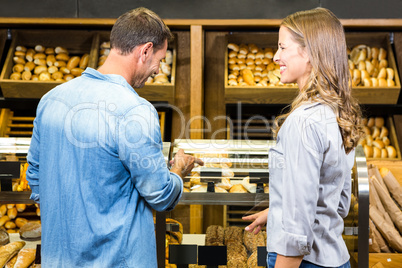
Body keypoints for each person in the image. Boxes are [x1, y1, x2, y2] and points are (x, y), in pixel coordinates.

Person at [26, 7, 203, 268]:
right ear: (145, 51)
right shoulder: (135, 110)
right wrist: (178, 170)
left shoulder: (51, 100)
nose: (157, 70)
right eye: (160, 59)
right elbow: (160, 195)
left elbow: (35, 179)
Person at [243, 7, 363, 268]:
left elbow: (297, 230)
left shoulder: (303, 122)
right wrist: (276, 213)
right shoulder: (338, 112)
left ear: (309, 52)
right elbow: (337, 203)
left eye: (282, 47)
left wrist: (288, 220)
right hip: (335, 258)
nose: (275, 57)